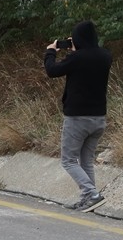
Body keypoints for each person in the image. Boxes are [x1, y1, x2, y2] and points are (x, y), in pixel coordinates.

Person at [44, 20, 112, 212]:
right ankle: (87, 199)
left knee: (68, 160)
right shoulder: (106, 56)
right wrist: (77, 47)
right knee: (86, 161)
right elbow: (88, 58)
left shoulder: (77, 58)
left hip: (78, 119)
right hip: (99, 118)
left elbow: (52, 71)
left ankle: (92, 193)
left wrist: (51, 51)